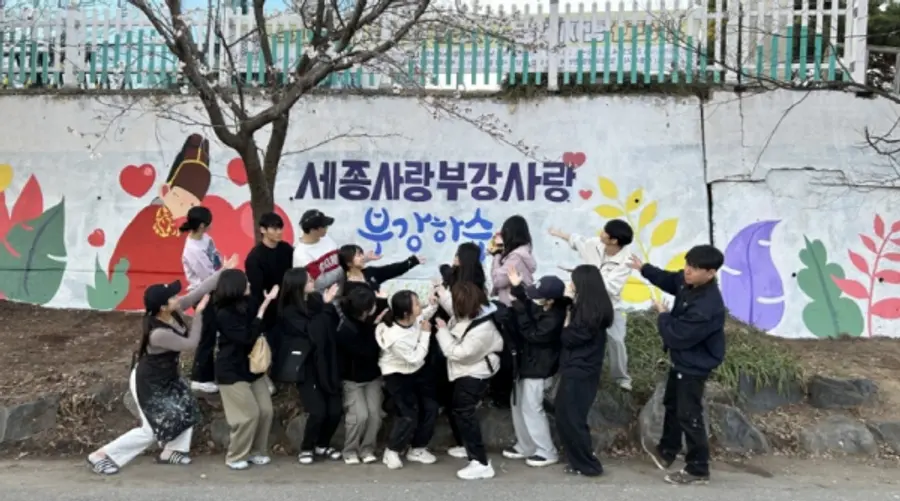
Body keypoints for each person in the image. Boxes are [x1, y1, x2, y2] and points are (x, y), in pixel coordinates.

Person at [86, 255, 236, 475]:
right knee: (150, 430)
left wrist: (223, 271)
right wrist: (199, 314)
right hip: (148, 381)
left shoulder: (172, 310)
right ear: (163, 307)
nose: (178, 298)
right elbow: (191, 343)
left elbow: (199, 291)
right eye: (173, 297)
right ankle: (102, 455)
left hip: (167, 376)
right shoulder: (158, 334)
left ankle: (173, 451)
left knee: (187, 406)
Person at [629, 244, 726, 486]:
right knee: (672, 403)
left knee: (689, 414)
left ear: (711, 273)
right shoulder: (688, 281)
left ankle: (698, 468)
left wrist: (663, 314)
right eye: (687, 264)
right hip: (681, 360)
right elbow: (670, 279)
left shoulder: (707, 306)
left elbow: (676, 336)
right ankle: (667, 451)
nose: (687, 271)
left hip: (694, 365)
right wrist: (644, 268)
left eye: (695, 268)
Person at [108, 134, 211, 311]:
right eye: (178, 197)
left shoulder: (189, 231)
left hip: (177, 301)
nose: (183, 206)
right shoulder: (147, 218)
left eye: (191, 204)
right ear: (165, 191)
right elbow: (120, 259)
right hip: (137, 297)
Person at [549, 219, 635, 391]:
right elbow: (578, 241)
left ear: (614, 241)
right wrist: (560, 234)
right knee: (572, 334)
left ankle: (621, 378)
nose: (601, 233)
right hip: (584, 302)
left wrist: (584, 278)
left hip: (610, 305)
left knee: (617, 340)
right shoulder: (595, 244)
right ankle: (559, 369)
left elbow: (612, 287)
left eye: (605, 232)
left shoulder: (627, 260)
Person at [273, 268, 343, 465]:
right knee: (317, 411)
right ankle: (307, 447)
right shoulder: (289, 311)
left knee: (335, 410)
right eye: (309, 280)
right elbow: (313, 331)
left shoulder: (316, 300)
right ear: (298, 285)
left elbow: (332, 323)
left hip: (327, 362)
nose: (313, 281)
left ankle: (323, 444)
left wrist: (327, 305)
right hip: (307, 365)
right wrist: (326, 306)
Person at [435, 281, 503, 480]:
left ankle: (480, 462)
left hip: (474, 374)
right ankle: (468, 448)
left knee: (465, 414)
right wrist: (441, 292)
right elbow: (455, 308)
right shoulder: (477, 311)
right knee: (460, 411)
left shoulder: (483, 329)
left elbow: (457, 353)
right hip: (469, 370)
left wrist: (442, 330)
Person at [212, 269, 278, 470]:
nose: (249, 284)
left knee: (265, 411)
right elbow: (246, 337)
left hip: (253, 367)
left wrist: (266, 303)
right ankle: (235, 456)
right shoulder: (223, 314)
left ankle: (257, 451)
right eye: (245, 282)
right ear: (236, 287)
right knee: (248, 414)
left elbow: (261, 325)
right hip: (231, 370)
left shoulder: (248, 303)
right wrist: (261, 311)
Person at [502, 269, 567, 468]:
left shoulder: (554, 318)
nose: (534, 299)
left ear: (551, 300)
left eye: (539, 296)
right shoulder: (545, 306)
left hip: (540, 369)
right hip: (527, 364)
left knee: (532, 409)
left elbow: (532, 334)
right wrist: (517, 287)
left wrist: (520, 311)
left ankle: (547, 451)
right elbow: (529, 303)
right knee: (518, 405)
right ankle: (526, 446)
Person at [555, 264, 613, 477]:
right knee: (568, 416)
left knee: (572, 418)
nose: (570, 284)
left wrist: (567, 316)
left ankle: (588, 464)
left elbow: (568, 337)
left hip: (580, 371)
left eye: (573, 281)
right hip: (581, 369)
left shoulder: (589, 314)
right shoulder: (591, 308)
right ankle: (578, 461)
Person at [431, 242, 487, 459]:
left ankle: (468, 447)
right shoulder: (464, 277)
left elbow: (457, 310)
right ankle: (464, 443)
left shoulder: (468, 285)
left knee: (458, 399)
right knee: (454, 396)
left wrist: (442, 290)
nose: (454, 258)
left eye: (457, 256)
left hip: (456, 338)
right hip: (451, 336)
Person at [376, 290, 440, 470]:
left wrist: (433, 304)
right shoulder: (395, 337)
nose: (420, 306)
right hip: (397, 373)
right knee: (408, 414)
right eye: (417, 304)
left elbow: (422, 316)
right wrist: (426, 334)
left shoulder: (411, 319)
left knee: (431, 407)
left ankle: (418, 448)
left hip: (416, 371)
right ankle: (392, 450)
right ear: (406, 313)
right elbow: (415, 357)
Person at [331, 286, 386, 464]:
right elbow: (368, 351)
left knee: (375, 415)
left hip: (372, 378)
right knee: (359, 416)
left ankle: (368, 449)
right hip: (352, 380)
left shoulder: (367, 320)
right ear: (365, 310)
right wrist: (375, 328)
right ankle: (350, 450)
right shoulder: (346, 329)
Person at [180, 205, 223, 394]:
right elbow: (208, 277)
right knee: (207, 336)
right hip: (203, 293)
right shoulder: (193, 250)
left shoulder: (205, 238)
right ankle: (200, 378)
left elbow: (215, 258)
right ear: (202, 225)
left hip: (215, 288)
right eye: (209, 222)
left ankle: (211, 373)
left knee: (213, 333)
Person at [245, 212, 294, 335]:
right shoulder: (255, 258)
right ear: (263, 230)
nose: (279, 232)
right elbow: (257, 291)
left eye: (280, 228)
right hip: (269, 310)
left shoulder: (286, 249)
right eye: (274, 229)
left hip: (289, 305)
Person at [338, 244, 424, 299]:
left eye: (361, 254)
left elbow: (391, 270)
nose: (362, 257)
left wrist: (411, 262)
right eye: (358, 255)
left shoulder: (369, 272)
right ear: (348, 262)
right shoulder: (349, 287)